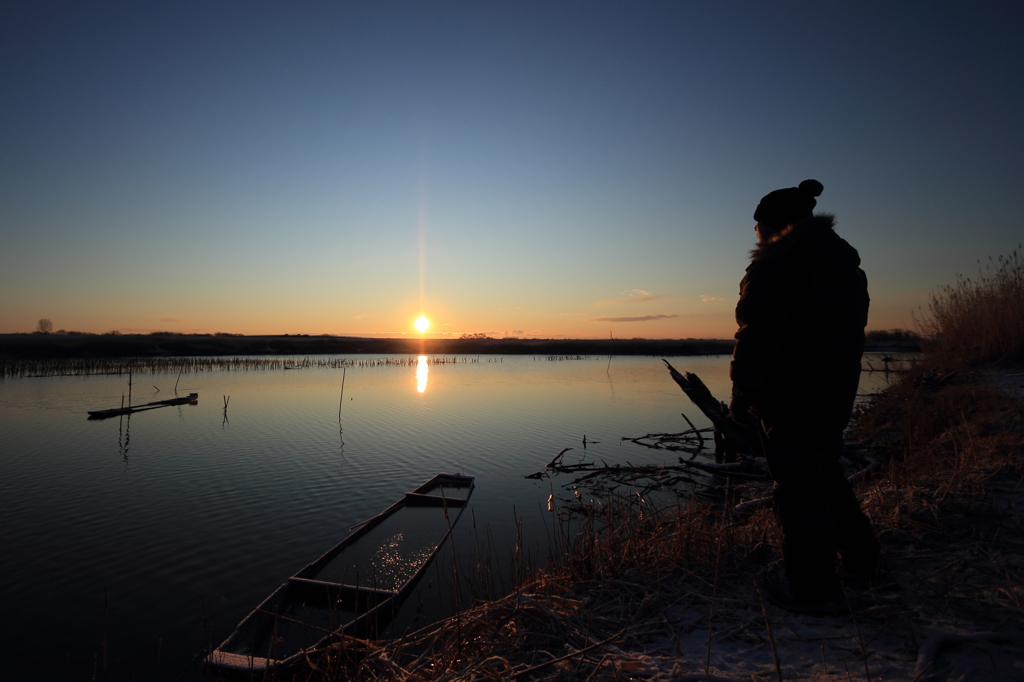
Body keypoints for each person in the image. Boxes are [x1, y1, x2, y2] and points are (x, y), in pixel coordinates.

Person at [729, 179, 883, 613]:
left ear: (773, 226)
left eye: (757, 226)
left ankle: (813, 590)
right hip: (835, 392)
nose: (754, 234)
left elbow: (758, 335)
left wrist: (743, 390)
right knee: (825, 474)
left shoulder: (777, 266)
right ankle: (864, 563)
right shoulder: (845, 268)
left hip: (791, 395)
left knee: (797, 488)